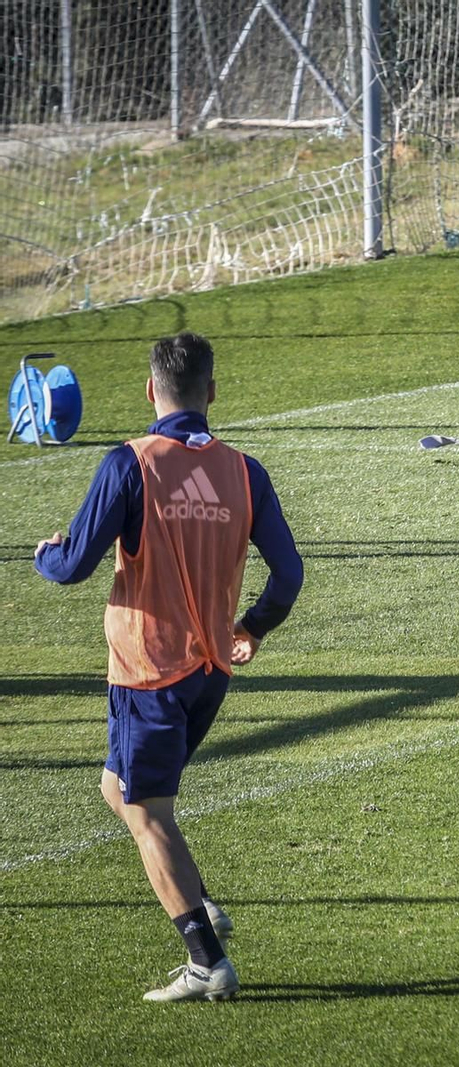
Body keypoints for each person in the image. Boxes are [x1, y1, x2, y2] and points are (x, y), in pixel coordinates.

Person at [35, 332, 303, 1002]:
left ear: (150, 390)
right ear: (211, 392)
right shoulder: (247, 471)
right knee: (117, 786)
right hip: (209, 671)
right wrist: (252, 626)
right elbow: (289, 575)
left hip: (147, 670)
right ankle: (203, 903)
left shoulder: (131, 464)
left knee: (148, 810)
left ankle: (205, 959)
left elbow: (72, 568)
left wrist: (46, 552)